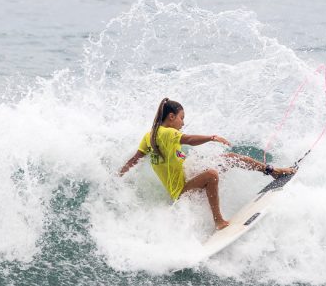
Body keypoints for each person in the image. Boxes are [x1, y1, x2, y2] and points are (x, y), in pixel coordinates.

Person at [119, 98, 295, 230]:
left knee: (230, 157)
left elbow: (134, 160)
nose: (183, 122)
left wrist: (117, 177)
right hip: (180, 193)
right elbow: (188, 139)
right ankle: (218, 221)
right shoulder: (168, 133)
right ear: (171, 117)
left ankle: (272, 170)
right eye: (181, 118)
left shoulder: (149, 136)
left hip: (184, 181)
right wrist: (212, 137)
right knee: (211, 175)